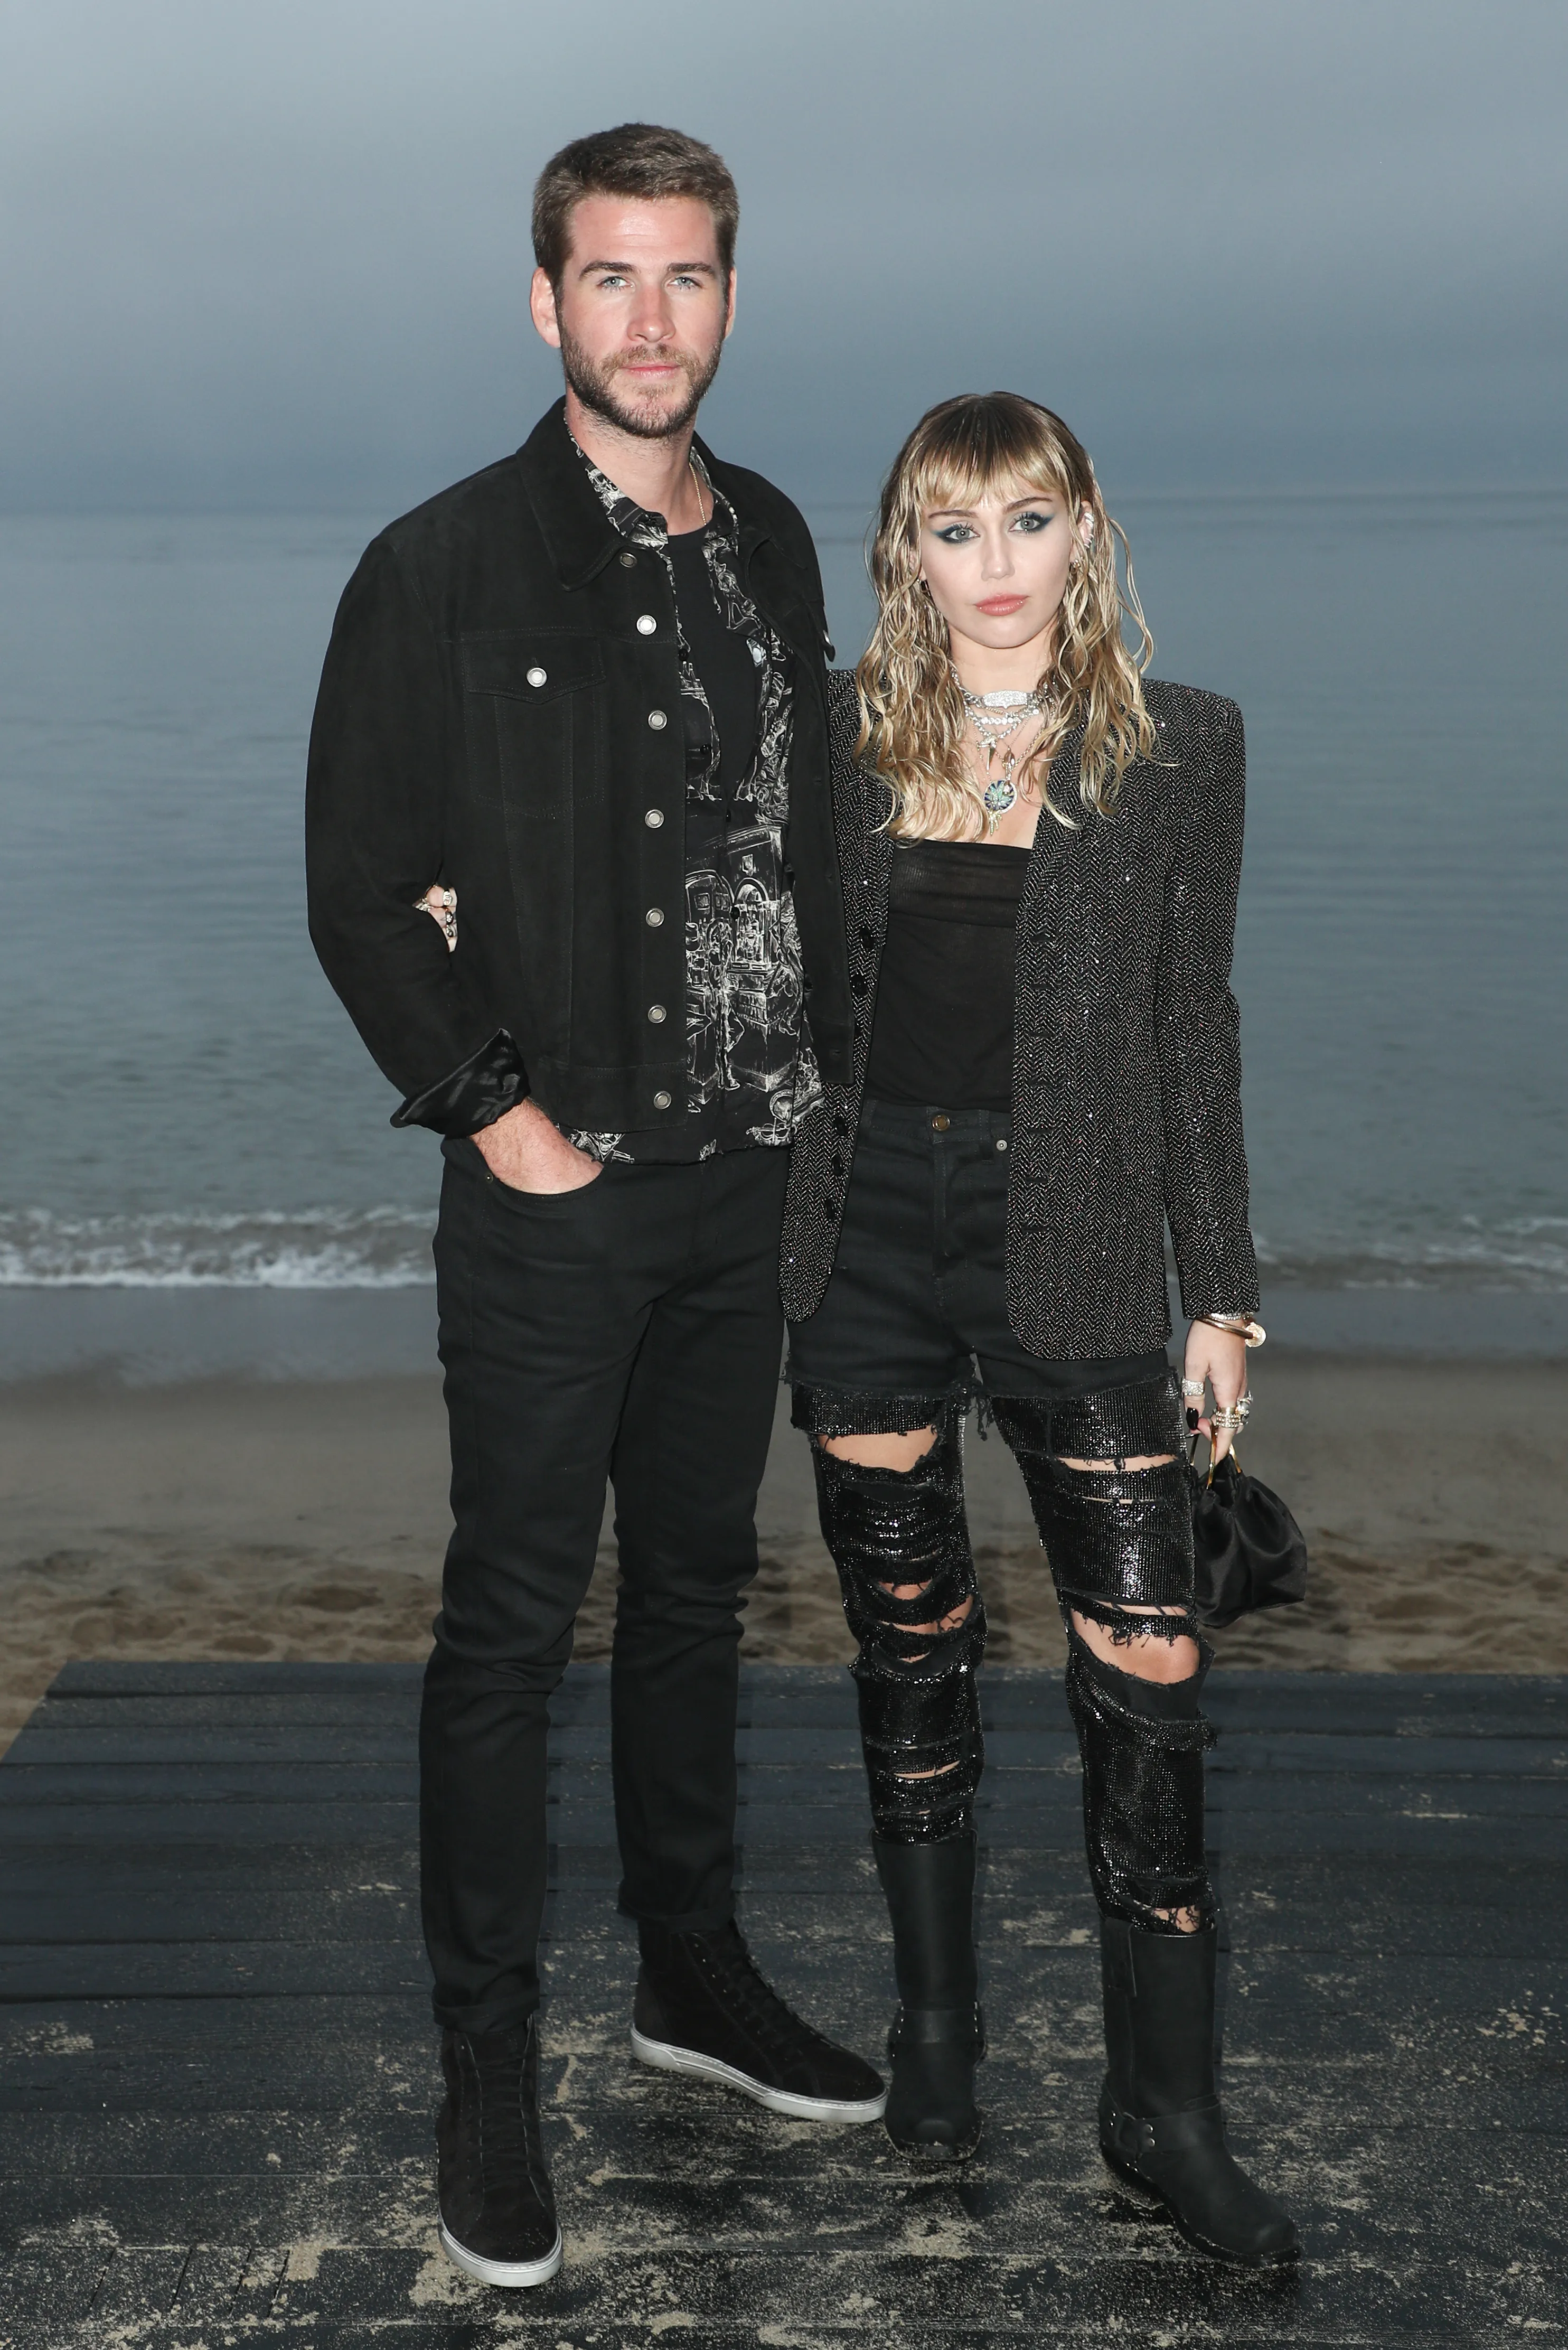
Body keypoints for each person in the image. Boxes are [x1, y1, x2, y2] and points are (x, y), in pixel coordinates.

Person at [306, 123, 885, 2295]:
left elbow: (800, 843)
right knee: (508, 1622)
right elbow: (361, 887)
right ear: (543, 302)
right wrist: (493, 1113)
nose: (657, 320)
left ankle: (690, 1972)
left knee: (702, 1592)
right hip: (561, 1199)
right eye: (613, 279)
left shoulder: (785, 546)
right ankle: (485, 2060)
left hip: (749, 1177)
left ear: (734, 296)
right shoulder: (438, 566)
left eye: (694, 278)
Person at [780, 392, 1299, 2265]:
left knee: (1147, 1675)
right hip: (862, 1251)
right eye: (951, 529)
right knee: (908, 1645)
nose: (993, 567)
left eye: (1025, 521)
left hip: (1071, 1245)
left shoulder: (1182, 752)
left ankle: (1163, 2111)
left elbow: (1194, 1031)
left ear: (1088, 530)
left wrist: (1221, 1295)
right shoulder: (835, 746)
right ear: (907, 555)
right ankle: (936, 2041)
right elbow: (720, 948)